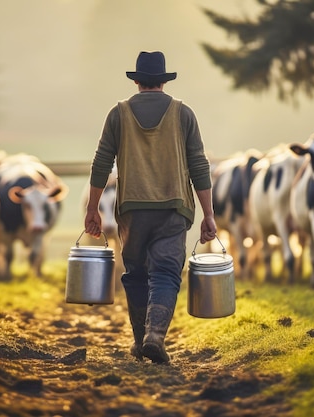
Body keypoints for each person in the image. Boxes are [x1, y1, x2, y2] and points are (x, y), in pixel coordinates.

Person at [84, 51, 217, 364]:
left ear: (137, 80)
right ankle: (155, 336)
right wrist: (208, 214)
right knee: (166, 273)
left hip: (132, 210)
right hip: (174, 208)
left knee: (136, 274)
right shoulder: (184, 114)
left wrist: (93, 208)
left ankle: (140, 339)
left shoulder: (117, 114)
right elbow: (199, 165)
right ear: (163, 81)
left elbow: (101, 162)